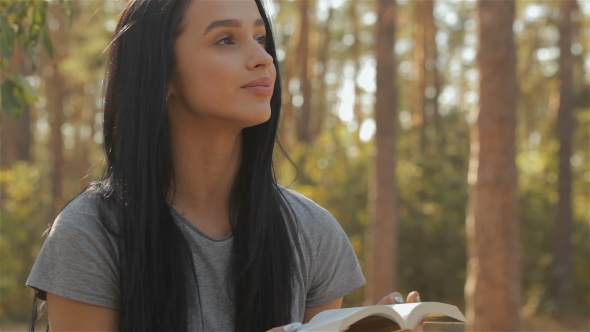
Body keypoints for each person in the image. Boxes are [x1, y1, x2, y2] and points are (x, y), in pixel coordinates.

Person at [26, 0, 422, 331]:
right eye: (226, 39)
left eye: (261, 38)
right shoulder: (92, 233)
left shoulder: (312, 233)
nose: (262, 58)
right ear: (162, 73)